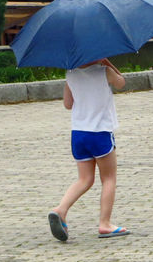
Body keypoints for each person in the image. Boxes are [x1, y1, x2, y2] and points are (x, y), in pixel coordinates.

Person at [47, 58, 130, 242]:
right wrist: (109, 64)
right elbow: (121, 83)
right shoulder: (103, 72)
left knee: (84, 179)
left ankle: (60, 210)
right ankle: (105, 223)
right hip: (100, 132)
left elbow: (68, 104)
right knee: (108, 178)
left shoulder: (71, 74)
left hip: (78, 133)